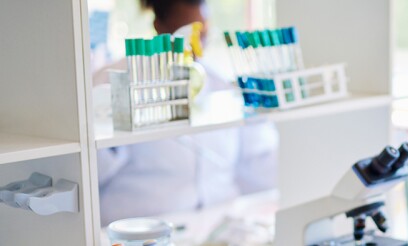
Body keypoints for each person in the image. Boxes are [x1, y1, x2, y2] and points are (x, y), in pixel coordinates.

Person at [94, 0, 279, 226]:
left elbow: (259, 164)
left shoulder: (221, 85)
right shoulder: (115, 81)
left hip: (220, 225)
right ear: (159, 27)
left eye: (203, 33)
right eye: (188, 33)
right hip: (141, 226)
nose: (196, 44)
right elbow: (92, 172)